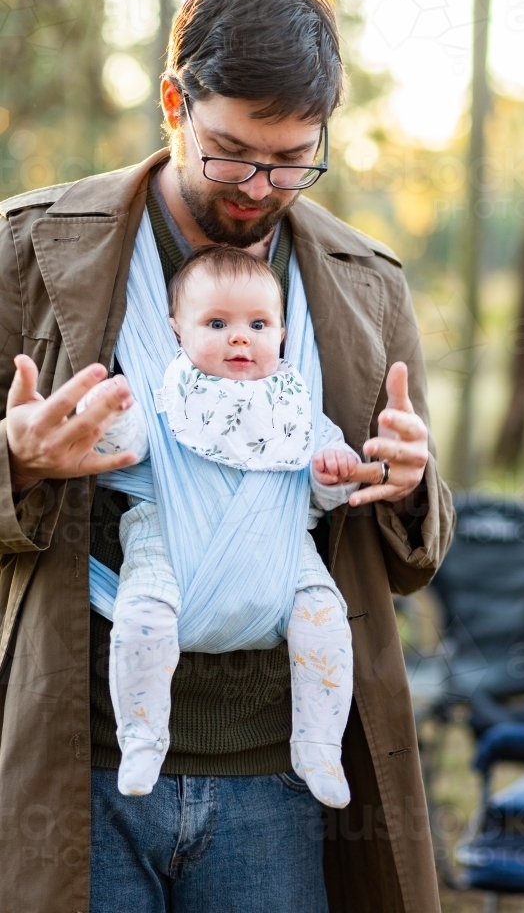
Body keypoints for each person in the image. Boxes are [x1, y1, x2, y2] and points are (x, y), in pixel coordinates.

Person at [0, 0, 453, 913]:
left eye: (293, 158)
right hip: (78, 763)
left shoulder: (365, 285)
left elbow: (407, 558)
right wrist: (18, 464)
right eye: (232, 153)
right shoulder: (25, 254)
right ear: (174, 101)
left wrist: (408, 486)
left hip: (278, 779)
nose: (260, 186)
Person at [83, 245, 358, 806]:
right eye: (217, 323)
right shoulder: (166, 392)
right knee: (141, 617)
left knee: (326, 619)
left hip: (282, 545)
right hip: (166, 540)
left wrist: (335, 475)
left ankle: (318, 744)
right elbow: (125, 447)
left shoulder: (293, 401)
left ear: (283, 333)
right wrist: (110, 416)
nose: (240, 337)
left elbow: (328, 483)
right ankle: (141, 735)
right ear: (174, 330)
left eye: (258, 324)